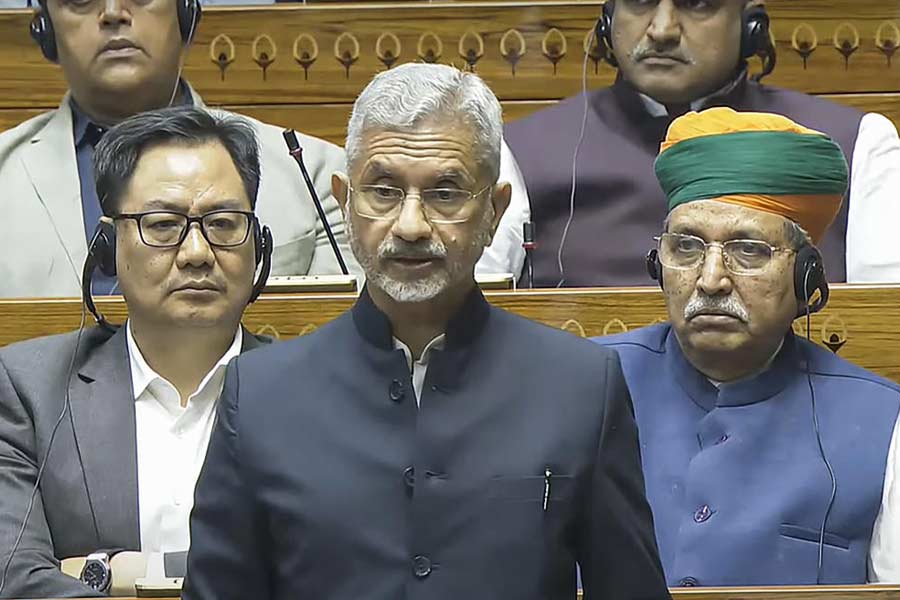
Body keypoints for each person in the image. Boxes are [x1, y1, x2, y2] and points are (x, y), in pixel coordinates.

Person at [182, 63, 668, 600]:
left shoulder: (581, 387)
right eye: (384, 191)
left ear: (493, 211)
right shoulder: (259, 397)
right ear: (345, 201)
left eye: (444, 193)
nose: (411, 225)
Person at [593, 107, 900, 586]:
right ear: (658, 263)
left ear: (806, 278)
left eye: (749, 250)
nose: (711, 279)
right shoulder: (579, 384)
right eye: (687, 247)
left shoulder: (885, 422)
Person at [0, 106, 276, 598]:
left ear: (257, 243)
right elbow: (14, 579)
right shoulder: (28, 391)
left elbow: (333, 568)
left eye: (224, 223)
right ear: (108, 246)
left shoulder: (318, 390)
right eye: (164, 225)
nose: (196, 253)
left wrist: (108, 572)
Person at [498, 0, 900, 287]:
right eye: (639, 3)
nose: (662, 29)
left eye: (697, 4)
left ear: (750, 24)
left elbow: (884, 321)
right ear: (607, 19)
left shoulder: (858, 143)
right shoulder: (517, 151)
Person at [0, 0, 356, 298]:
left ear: (186, 11)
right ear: (45, 28)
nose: (112, 12)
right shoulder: (6, 172)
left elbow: (334, 351)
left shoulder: (315, 175)